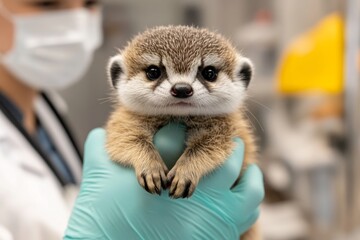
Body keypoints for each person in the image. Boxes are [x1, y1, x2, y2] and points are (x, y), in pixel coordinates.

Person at [0, 0, 264, 239]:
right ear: (118, 77)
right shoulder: (126, 120)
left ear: (242, 79)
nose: (183, 88)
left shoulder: (47, 107)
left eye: (207, 73)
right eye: (154, 72)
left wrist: (197, 162)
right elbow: (124, 145)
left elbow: (224, 150)